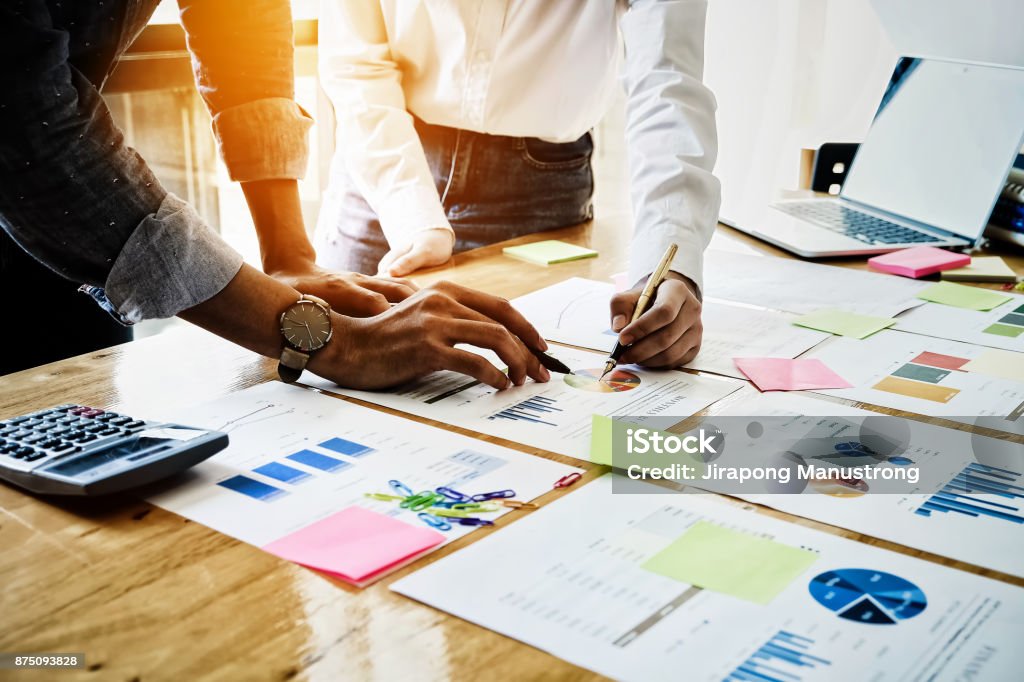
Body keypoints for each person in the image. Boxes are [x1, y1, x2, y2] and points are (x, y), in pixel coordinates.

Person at [0, 0, 549, 390]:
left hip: (60, 224)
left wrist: (288, 256)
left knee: (83, 439)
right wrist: (337, 344)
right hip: (38, 185)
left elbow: (239, 19)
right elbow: (27, 129)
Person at [316, 0, 721, 370]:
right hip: (377, 164)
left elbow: (666, 81)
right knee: (331, 371)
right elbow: (355, 63)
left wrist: (670, 259)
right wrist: (411, 213)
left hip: (539, 187)